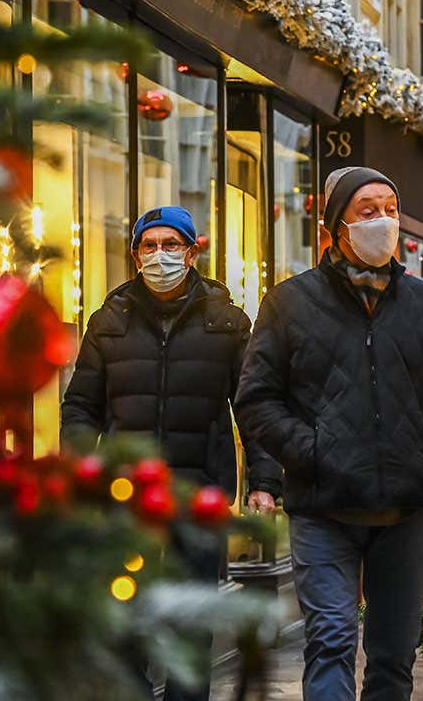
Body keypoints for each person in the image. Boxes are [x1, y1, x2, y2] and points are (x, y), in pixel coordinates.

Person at [235, 166, 423, 701]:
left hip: (405, 507)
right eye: (368, 212)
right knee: (331, 641)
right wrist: (312, 454)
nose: (383, 221)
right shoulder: (289, 303)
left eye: (390, 209)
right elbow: (256, 398)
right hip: (324, 507)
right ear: (335, 228)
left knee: (394, 655)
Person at [60, 205, 281, 701]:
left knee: (192, 620)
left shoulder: (226, 323)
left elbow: (253, 408)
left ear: (191, 251)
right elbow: (81, 408)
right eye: (149, 246)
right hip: (125, 497)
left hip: (197, 495)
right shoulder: (108, 320)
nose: (160, 256)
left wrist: (265, 482)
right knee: (125, 618)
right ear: (135, 254)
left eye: (171, 245)